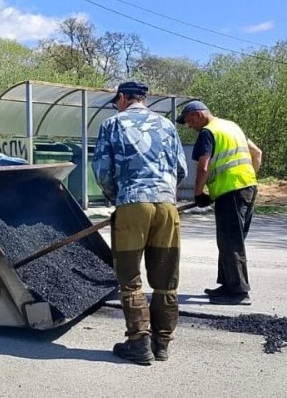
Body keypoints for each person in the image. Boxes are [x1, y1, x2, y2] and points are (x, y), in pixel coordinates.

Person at [92, 81, 188, 365]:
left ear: (123, 98)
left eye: (116, 101)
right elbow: (180, 168)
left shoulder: (113, 124)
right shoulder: (167, 126)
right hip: (167, 206)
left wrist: (117, 198)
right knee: (166, 281)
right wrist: (164, 191)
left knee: (130, 279)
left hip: (133, 203)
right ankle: (161, 344)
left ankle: (138, 344)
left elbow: (102, 170)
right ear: (144, 99)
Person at [176, 101, 262, 306]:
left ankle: (238, 292)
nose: (189, 126)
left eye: (188, 121)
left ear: (197, 114)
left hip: (230, 192)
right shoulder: (231, 126)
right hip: (247, 188)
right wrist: (247, 178)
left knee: (230, 241)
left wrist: (198, 193)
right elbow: (257, 153)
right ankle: (227, 285)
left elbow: (204, 167)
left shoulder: (208, 132)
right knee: (232, 240)